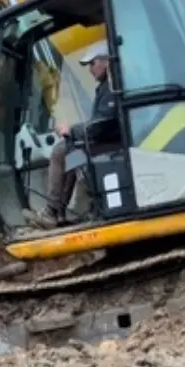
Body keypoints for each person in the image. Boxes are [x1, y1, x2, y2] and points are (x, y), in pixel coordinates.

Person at [23, 44, 116, 230]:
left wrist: (71, 130)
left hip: (109, 144)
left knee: (60, 152)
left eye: (92, 63)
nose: (90, 69)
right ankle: (57, 213)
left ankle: (52, 211)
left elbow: (102, 124)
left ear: (106, 62)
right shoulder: (106, 87)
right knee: (72, 153)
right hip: (104, 142)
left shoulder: (111, 89)